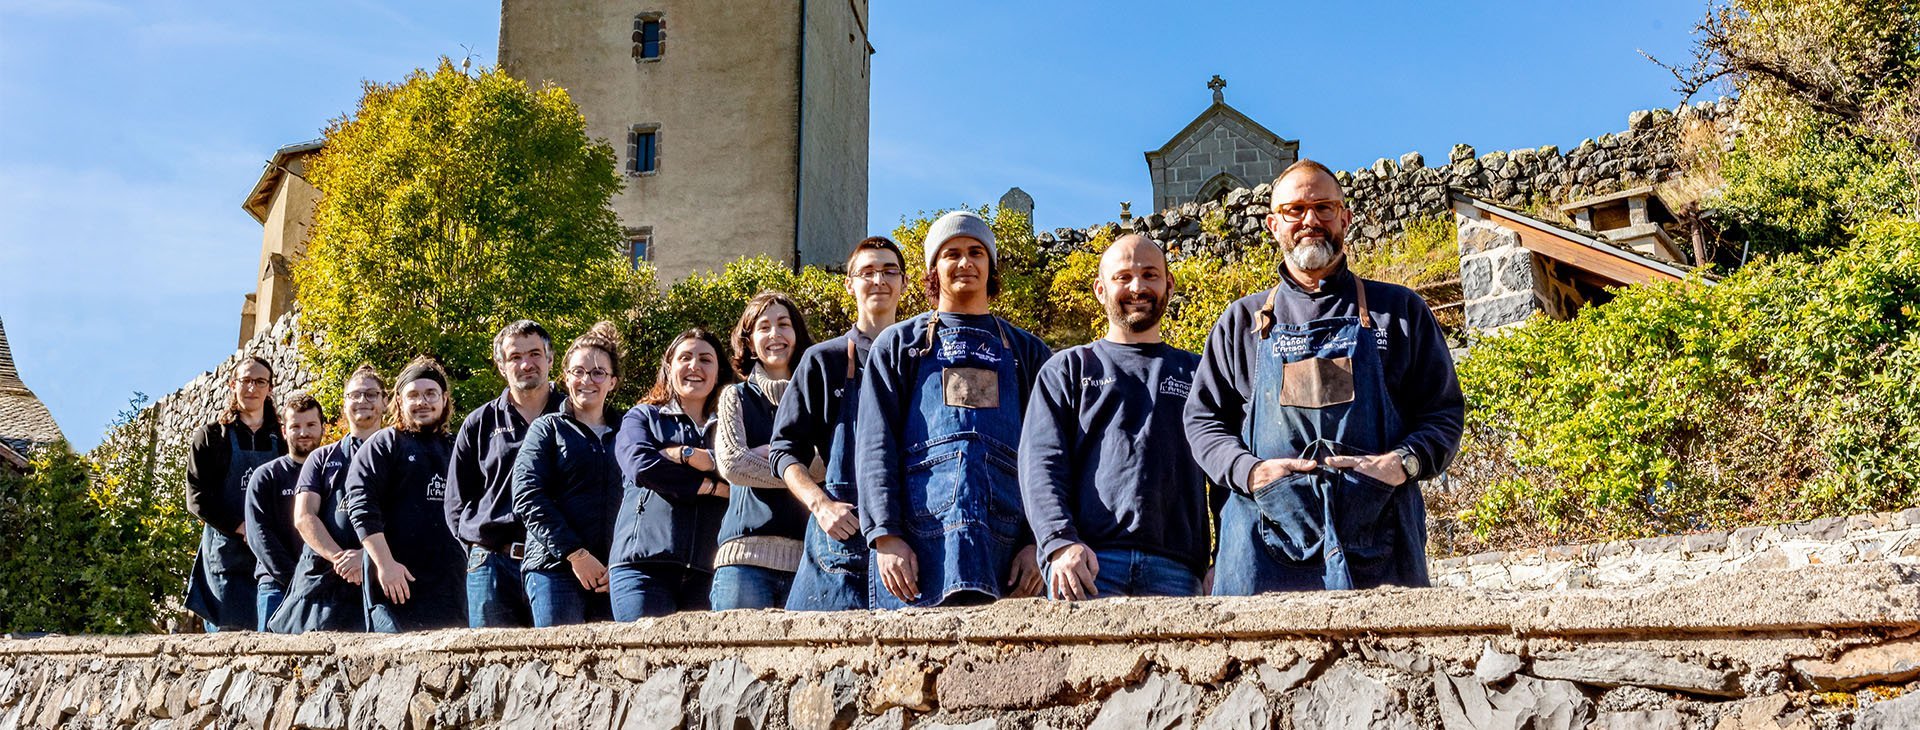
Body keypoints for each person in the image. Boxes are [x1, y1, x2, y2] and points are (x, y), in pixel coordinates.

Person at [1184, 160, 1465, 594]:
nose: (1310, 220)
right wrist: (1249, 471)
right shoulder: (1240, 322)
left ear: (1346, 218)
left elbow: (1443, 412)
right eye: (1294, 210)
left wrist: (1403, 462)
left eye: (1324, 207)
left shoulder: (1401, 312)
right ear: (1273, 224)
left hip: (1380, 536)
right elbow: (1203, 421)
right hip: (1262, 540)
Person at [856, 210, 1049, 609]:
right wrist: (886, 536)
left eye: (976, 252)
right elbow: (876, 446)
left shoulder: (1029, 353)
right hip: (917, 551)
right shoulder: (898, 346)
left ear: (991, 265)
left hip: (1009, 547)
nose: (965, 262)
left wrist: (1038, 542)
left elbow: (1048, 456)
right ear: (933, 269)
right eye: (952, 253)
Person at [1019, 235, 1217, 600]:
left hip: (1177, 572)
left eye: (1150, 275)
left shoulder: (1197, 373)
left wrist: (1223, 558)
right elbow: (1041, 464)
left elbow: (1223, 472)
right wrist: (1059, 542)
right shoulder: (1067, 369)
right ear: (1100, 289)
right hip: (1086, 566)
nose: (1137, 287)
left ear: (1168, 284)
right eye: (1123, 277)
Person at [771, 237, 907, 611]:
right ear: (849, 284)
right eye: (867, 272)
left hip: (909, 538)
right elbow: (784, 452)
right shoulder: (823, 360)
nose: (878, 279)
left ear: (904, 283)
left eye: (889, 270)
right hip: (843, 535)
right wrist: (820, 505)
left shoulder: (921, 358)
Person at [610, 329, 735, 619]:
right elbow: (642, 466)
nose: (694, 366)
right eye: (685, 358)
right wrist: (710, 483)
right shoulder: (643, 417)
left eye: (705, 359)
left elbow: (741, 467)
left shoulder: (729, 427)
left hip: (708, 571)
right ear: (670, 367)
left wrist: (695, 458)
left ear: (718, 373)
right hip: (642, 568)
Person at [446, 320, 563, 628]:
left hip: (560, 563)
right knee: (489, 668)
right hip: (492, 564)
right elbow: (456, 501)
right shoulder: (479, 423)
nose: (526, 364)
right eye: (515, 357)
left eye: (535, 354)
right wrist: (477, 551)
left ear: (550, 359)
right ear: (501, 366)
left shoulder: (572, 415)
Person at [512, 322, 627, 626]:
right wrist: (576, 554)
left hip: (613, 572)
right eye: (578, 372)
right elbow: (527, 497)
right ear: (565, 378)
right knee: (558, 666)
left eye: (598, 373)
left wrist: (617, 563)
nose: (587, 380)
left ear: (612, 382)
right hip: (554, 570)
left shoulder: (628, 431)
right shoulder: (547, 429)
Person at [710, 292, 820, 610]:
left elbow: (830, 464)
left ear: (797, 334)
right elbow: (732, 463)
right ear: (750, 340)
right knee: (732, 661)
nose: (775, 334)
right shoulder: (735, 396)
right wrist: (799, 468)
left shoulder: (817, 399)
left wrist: (766, 454)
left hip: (808, 563)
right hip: (743, 562)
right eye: (763, 327)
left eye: (784, 324)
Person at [345, 357, 467, 632]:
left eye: (430, 394)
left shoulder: (458, 448)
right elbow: (362, 507)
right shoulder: (384, 444)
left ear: (444, 399)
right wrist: (385, 564)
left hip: (451, 586)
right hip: (395, 583)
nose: (422, 402)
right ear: (399, 401)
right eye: (413, 395)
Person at [270, 365, 385, 633]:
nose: (362, 402)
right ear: (344, 403)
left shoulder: (401, 453)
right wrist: (340, 559)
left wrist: (367, 558)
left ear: (386, 401)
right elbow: (304, 516)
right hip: (322, 584)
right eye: (355, 395)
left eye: (371, 394)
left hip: (381, 577)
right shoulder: (321, 458)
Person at [184, 355, 285, 631]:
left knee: (271, 637)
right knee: (227, 640)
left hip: (270, 556)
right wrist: (239, 526)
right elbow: (196, 498)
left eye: (259, 381)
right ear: (232, 385)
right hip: (225, 557)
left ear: (270, 388)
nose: (252, 388)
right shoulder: (210, 437)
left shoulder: (284, 439)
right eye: (245, 381)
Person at [244, 391, 328, 631]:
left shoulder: (333, 474)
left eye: (311, 425)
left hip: (322, 588)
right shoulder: (266, 476)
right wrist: (295, 579)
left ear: (323, 427)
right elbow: (259, 536)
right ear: (284, 431)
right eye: (295, 426)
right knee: (271, 662)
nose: (303, 433)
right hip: (277, 587)